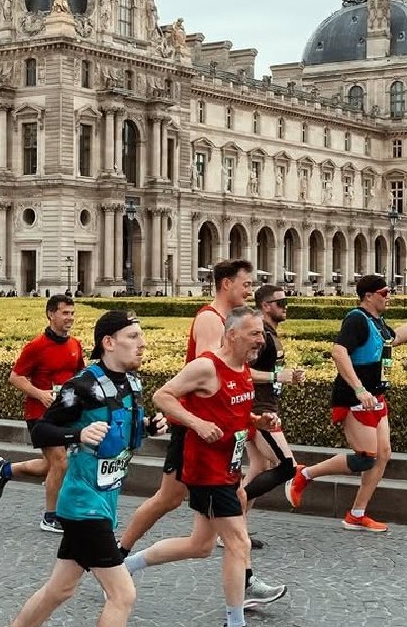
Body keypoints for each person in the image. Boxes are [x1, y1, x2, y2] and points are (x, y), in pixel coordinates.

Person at [0, 310, 164, 627]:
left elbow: (126, 438)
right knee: (122, 593)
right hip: (82, 505)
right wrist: (76, 436)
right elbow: (42, 432)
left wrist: (149, 424)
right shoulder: (81, 387)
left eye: (141, 336)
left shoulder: (131, 383)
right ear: (109, 342)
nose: (142, 343)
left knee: (59, 589)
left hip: (106, 501)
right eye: (134, 336)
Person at [116, 258, 285, 607]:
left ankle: (243, 579)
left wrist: (249, 421)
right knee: (169, 500)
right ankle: (118, 556)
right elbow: (212, 376)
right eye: (245, 283)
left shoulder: (229, 320)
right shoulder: (211, 319)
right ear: (226, 284)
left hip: (217, 435)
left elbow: (233, 379)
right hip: (198, 433)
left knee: (207, 531)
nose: (250, 289)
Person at [125, 307, 282, 627]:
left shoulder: (243, 370)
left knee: (199, 545)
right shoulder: (208, 366)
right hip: (206, 471)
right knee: (238, 543)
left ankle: (127, 567)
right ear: (232, 335)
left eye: (261, 334)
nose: (261, 340)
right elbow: (163, 396)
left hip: (227, 469)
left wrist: (259, 419)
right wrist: (195, 422)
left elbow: (234, 415)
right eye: (254, 333)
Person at [286, 274, 407, 532]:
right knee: (366, 458)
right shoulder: (356, 318)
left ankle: (357, 513)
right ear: (368, 296)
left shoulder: (377, 321)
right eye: (384, 292)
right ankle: (304, 474)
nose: (389, 296)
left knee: (383, 455)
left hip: (375, 396)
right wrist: (358, 389)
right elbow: (338, 351)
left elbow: (395, 337)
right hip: (355, 397)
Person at [0, 293, 85, 533]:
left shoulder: (75, 345)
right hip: (40, 415)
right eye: (65, 313)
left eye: (72, 313)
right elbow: (15, 377)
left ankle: (6, 470)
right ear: (51, 314)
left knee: (50, 465)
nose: (70, 318)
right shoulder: (36, 346)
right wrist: (40, 394)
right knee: (60, 463)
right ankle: (50, 517)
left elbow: (80, 377)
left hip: (65, 415)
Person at [242, 283, 306, 509]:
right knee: (287, 465)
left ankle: (234, 528)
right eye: (281, 303)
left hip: (265, 406)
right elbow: (242, 371)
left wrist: (287, 376)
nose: (286, 307)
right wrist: (276, 377)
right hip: (260, 409)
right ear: (266, 306)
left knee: (259, 467)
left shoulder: (269, 334)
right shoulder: (261, 337)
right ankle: (228, 510)